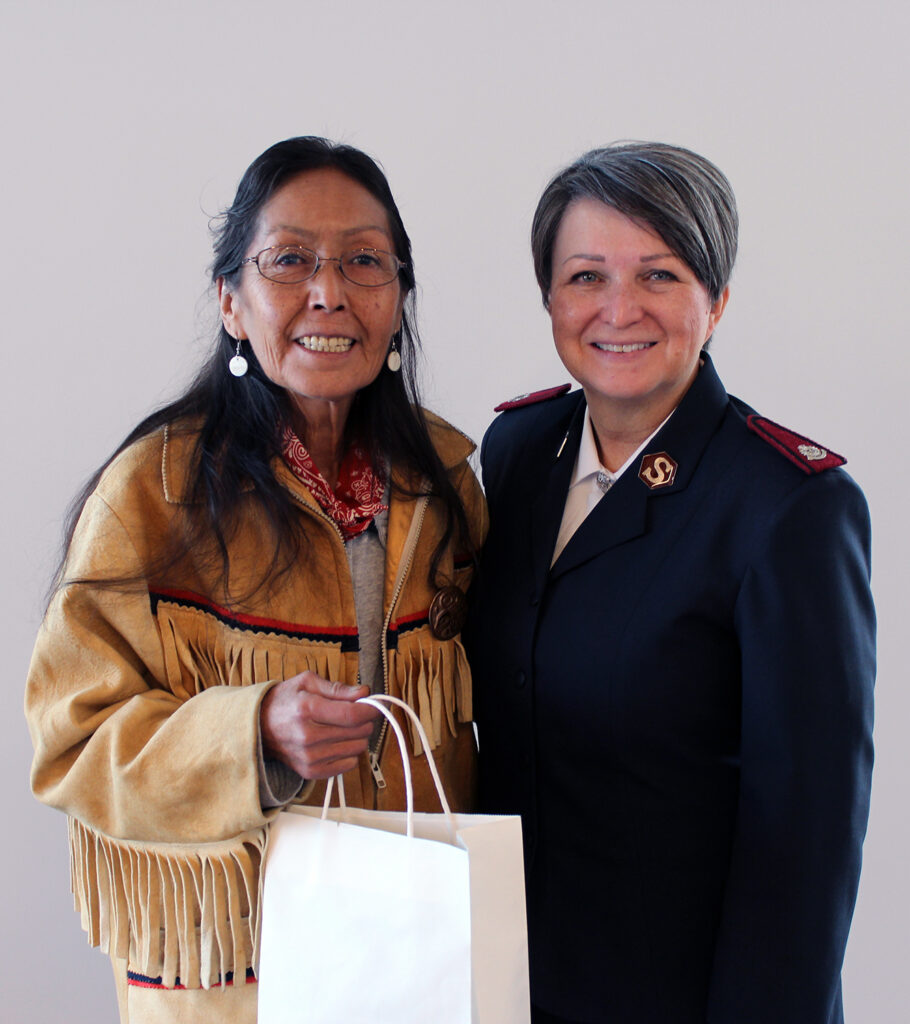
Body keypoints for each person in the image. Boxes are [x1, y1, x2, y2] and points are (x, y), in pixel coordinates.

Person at [25, 136, 486, 1023]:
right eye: (289, 261)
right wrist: (254, 734)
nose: (329, 292)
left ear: (397, 300)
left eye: (364, 261)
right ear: (232, 301)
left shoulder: (443, 484)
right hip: (235, 973)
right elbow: (69, 741)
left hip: (413, 961)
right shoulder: (154, 493)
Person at [466, 142, 874, 1024]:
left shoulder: (788, 506)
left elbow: (805, 846)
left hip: (683, 996)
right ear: (549, 298)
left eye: (659, 274)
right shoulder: (518, 453)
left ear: (716, 299)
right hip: (505, 982)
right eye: (585, 276)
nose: (619, 309)